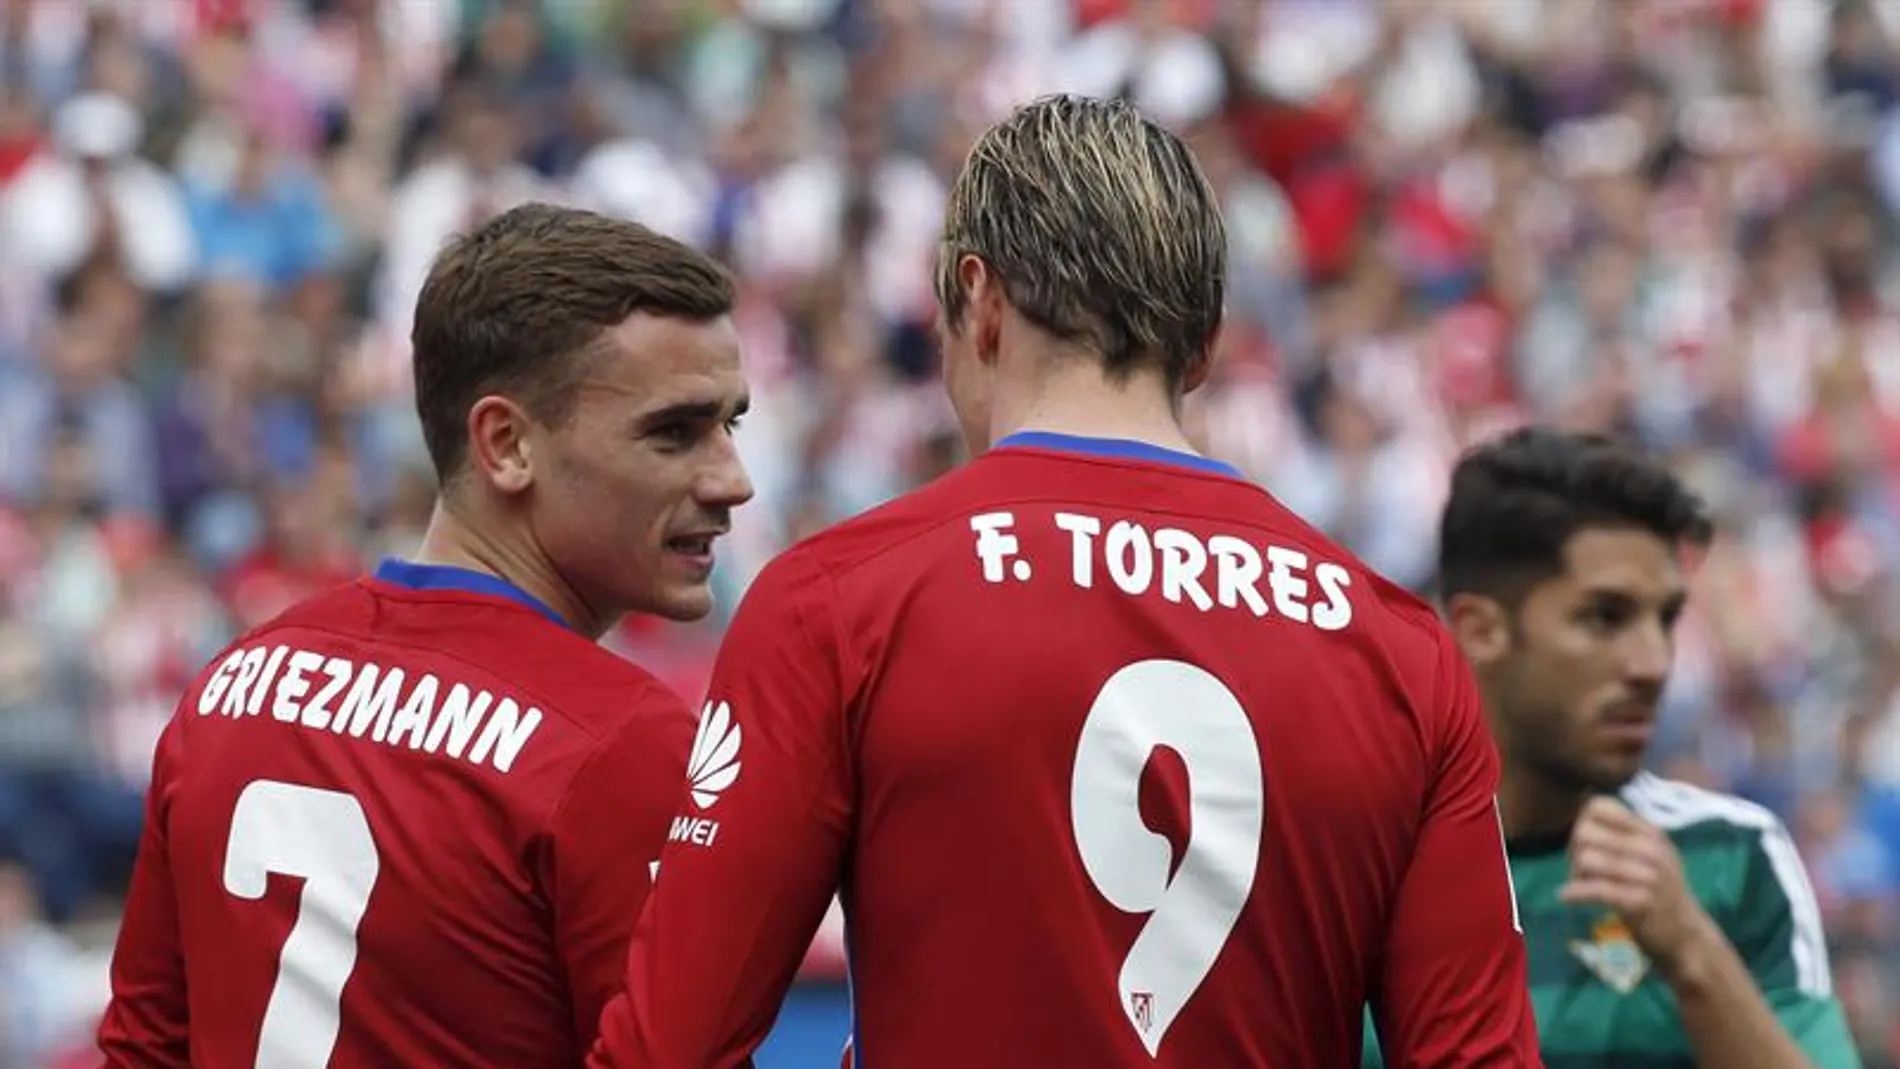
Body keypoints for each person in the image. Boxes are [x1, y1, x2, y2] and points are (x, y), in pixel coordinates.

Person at [590, 94, 1538, 1069]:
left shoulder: (838, 600)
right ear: (1203, 348)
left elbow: (670, 1047)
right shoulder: (1397, 647)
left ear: (981, 303)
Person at [97, 204, 754, 1068]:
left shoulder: (233, 683)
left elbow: (142, 1050)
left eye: (730, 424)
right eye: (675, 431)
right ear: (506, 443)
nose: (732, 480)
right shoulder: (620, 742)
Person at [1361, 427, 1862, 1069]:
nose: (1654, 663)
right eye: (1605, 617)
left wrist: (1693, 953)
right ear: (1480, 631)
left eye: (1667, 619)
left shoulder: (1730, 856)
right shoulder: (1361, 863)